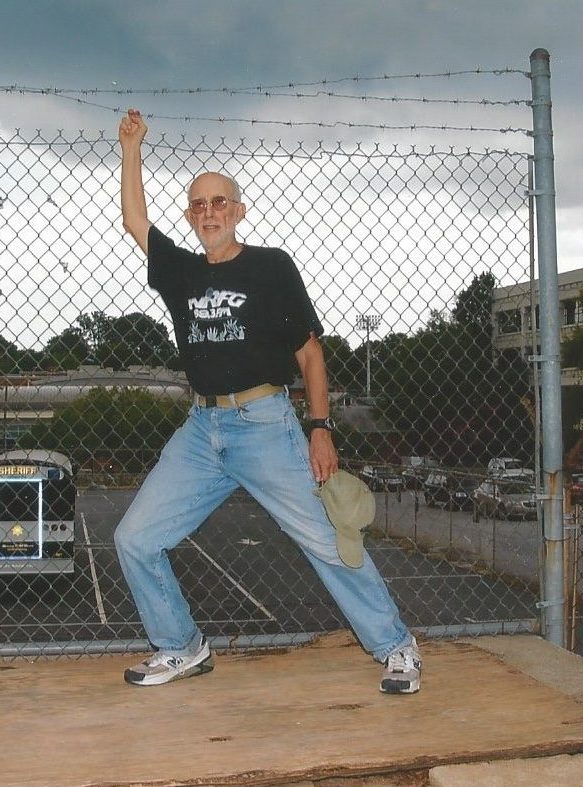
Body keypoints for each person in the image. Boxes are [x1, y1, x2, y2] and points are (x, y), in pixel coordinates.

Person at [114, 108, 421, 694]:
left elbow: (309, 352)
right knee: (135, 538)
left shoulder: (270, 266)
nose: (209, 213)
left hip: (265, 424)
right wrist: (132, 148)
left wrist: (321, 427)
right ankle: (181, 647)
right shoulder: (180, 272)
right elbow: (134, 221)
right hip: (202, 431)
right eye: (199, 205)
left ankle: (396, 647)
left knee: (329, 540)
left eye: (220, 202)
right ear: (191, 216)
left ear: (240, 210)